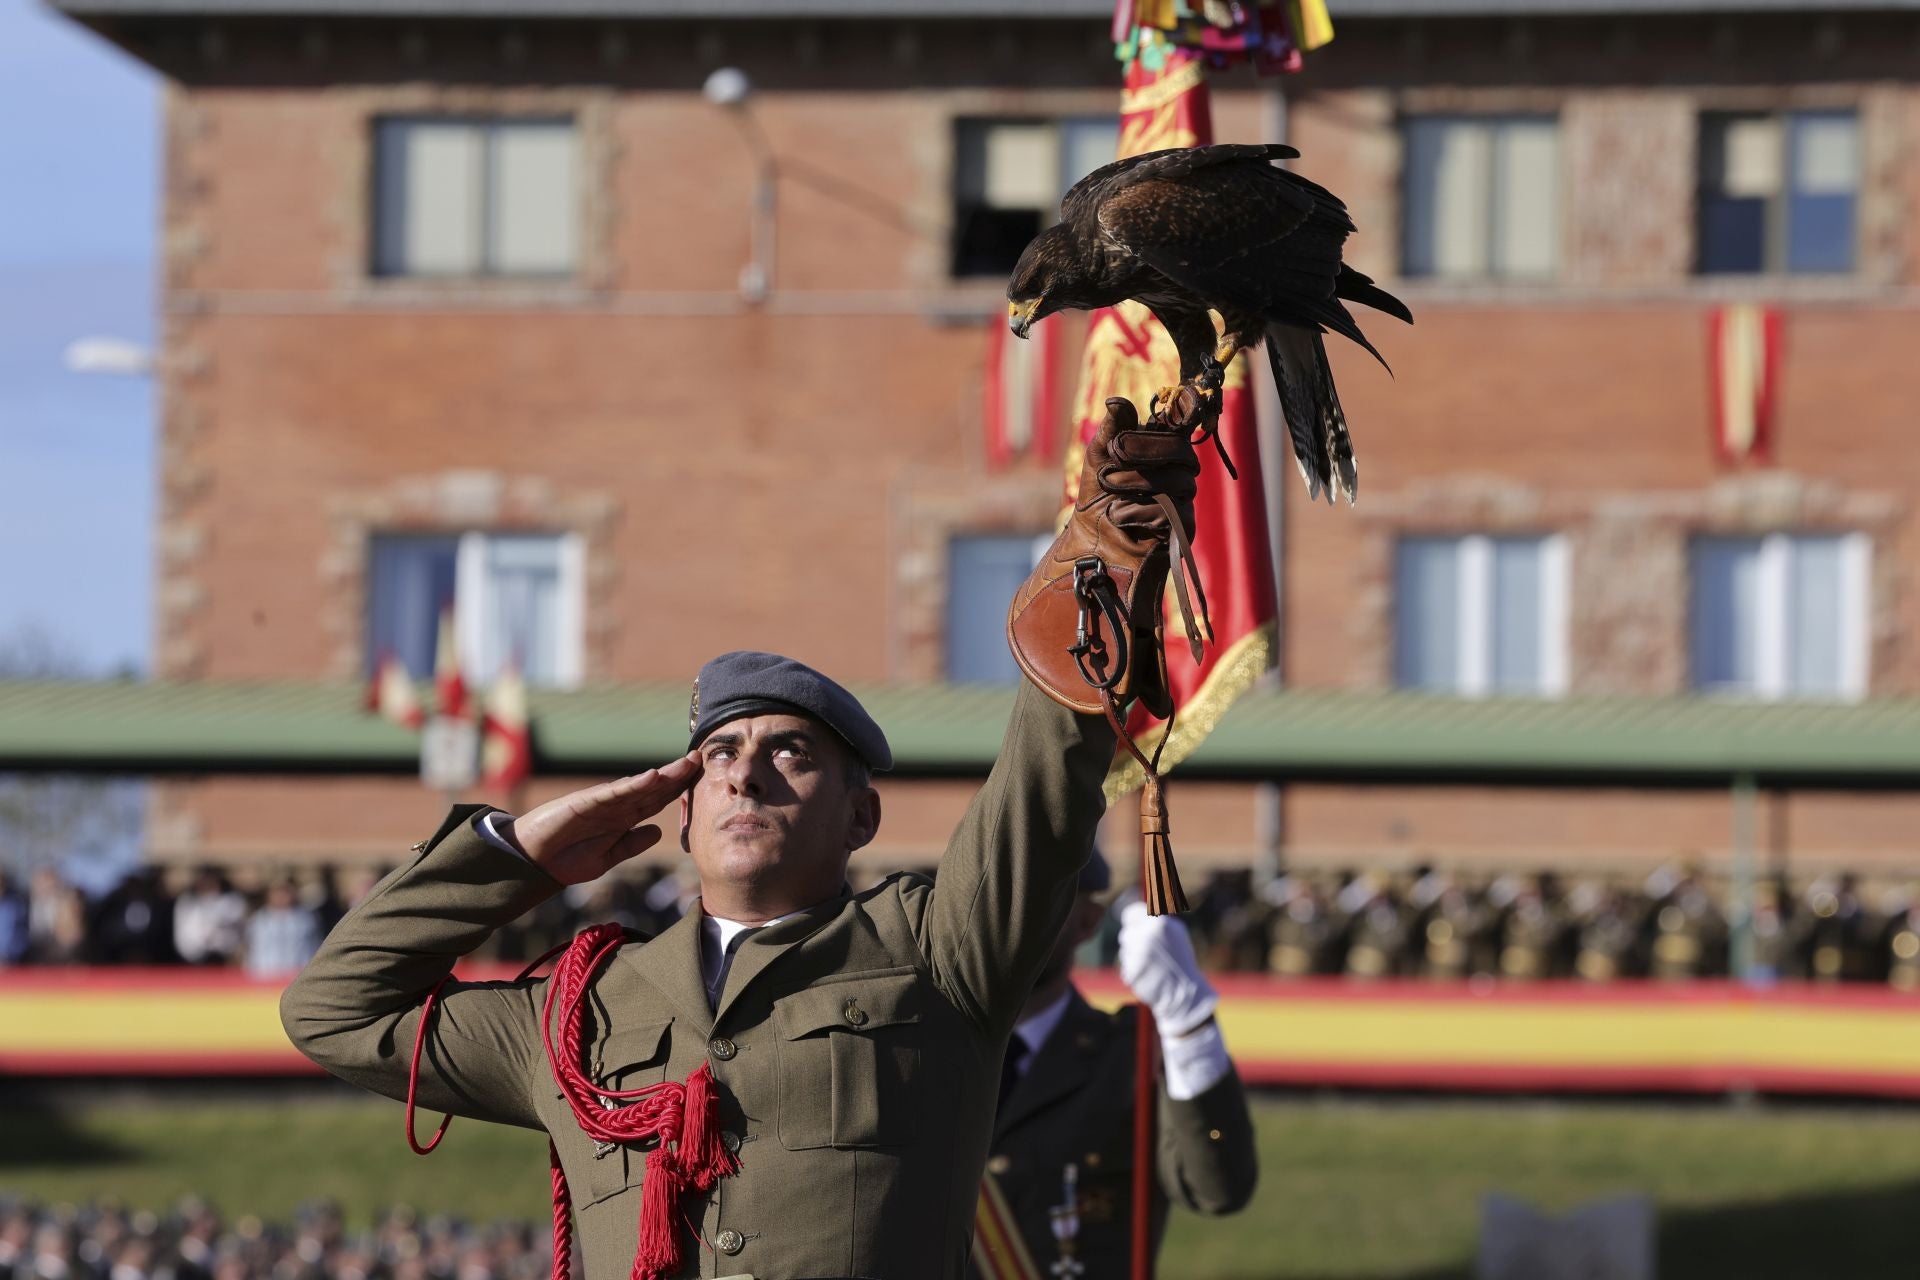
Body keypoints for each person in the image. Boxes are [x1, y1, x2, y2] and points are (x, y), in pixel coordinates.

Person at [974, 854, 1256, 1279]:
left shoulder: (1128, 1055)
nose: (1014, 919)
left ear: (1088, 922)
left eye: (1041, 901)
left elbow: (1219, 1188)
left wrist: (1189, 1022)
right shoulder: (920, 1054)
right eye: (995, 896)